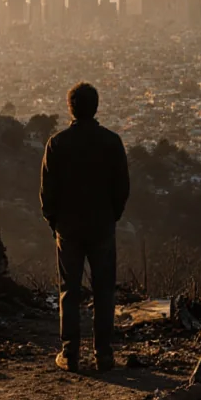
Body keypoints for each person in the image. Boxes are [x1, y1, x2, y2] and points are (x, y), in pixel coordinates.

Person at [39, 82, 130, 372]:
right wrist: (112, 216)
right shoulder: (111, 142)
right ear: (96, 107)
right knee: (104, 290)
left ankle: (70, 354)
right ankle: (103, 354)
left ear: (71, 108)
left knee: (70, 290)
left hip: (68, 227)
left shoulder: (57, 143)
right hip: (102, 225)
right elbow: (122, 188)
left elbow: (46, 192)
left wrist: (55, 222)